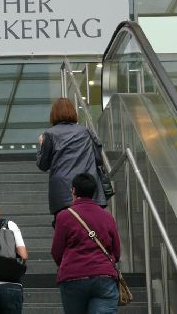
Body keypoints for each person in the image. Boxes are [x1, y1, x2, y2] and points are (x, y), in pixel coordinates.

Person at [52, 173, 122, 313]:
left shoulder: (64, 216)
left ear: (73, 191)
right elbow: (116, 251)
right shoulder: (107, 216)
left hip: (73, 277)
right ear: (94, 192)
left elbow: (56, 251)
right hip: (104, 277)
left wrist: (68, 264)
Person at [37, 98, 106, 222]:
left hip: (62, 191)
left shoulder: (49, 134)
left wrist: (42, 145)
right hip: (87, 186)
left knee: (65, 225)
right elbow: (98, 158)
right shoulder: (85, 131)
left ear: (53, 114)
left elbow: (43, 165)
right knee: (92, 224)